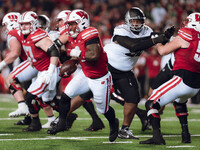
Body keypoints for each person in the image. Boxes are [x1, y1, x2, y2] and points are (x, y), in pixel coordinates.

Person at [47, 9, 119, 142]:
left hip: (100, 77)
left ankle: (114, 123)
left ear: (83, 23)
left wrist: (77, 54)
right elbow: (64, 56)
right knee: (65, 95)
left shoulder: (90, 32)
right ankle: (62, 123)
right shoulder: (70, 35)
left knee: (103, 110)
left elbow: (94, 55)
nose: (71, 27)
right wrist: (58, 49)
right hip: (85, 74)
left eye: (74, 23)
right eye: (69, 24)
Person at [104, 7, 174, 139]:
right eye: (133, 21)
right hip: (106, 66)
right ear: (127, 21)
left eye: (138, 21)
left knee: (133, 97)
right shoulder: (120, 30)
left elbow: (157, 41)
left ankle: (124, 129)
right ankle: (60, 118)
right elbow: (133, 45)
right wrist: (157, 38)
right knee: (88, 93)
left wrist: (166, 37)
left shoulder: (147, 30)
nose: (136, 24)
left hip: (124, 70)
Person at [140, 12, 200, 145]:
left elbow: (162, 51)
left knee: (151, 102)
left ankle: (157, 137)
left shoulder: (188, 33)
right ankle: (186, 134)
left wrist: (158, 41)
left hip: (182, 78)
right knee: (180, 102)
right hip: (195, 84)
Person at [52, 10, 105, 132]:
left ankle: (62, 118)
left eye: (61, 20)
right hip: (83, 67)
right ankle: (64, 119)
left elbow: (59, 48)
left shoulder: (78, 32)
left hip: (95, 67)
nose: (60, 23)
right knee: (77, 94)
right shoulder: (70, 32)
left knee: (106, 99)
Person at [18, 11, 61, 132]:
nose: (23, 27)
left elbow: (54, 52)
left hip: (50, 70)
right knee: (44, 99)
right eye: (22, 24)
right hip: (42, 69)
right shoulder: (24, 35)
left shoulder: (38, 35)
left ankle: (36, 123)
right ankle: (63, 117)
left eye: (26, 24)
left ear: (34, 23)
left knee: (31, 97)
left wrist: (50, 71)